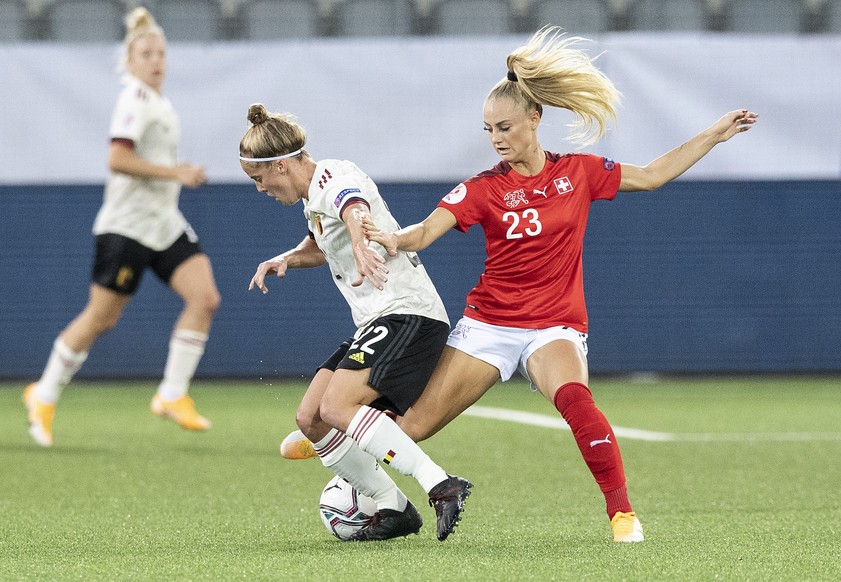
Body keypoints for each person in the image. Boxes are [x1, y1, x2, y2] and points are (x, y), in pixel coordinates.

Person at [284, 26, 758, 543]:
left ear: (535, 119)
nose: (497, 139)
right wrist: (395, 239)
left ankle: (622, 515)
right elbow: (423, 232)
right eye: (489, 130)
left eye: (505, 127)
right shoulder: (484, 188)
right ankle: (338, 442)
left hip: (553, 324)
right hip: (488, 325)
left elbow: (652, 175)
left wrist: (714, 134)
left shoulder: (578, 172)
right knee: (412, 428)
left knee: (576, 399)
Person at [240, 103, 472, 542]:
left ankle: (440, 484)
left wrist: (362, 237)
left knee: (336, 408)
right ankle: (392, 508)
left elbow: (352, 206)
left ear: (282, 165)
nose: (259, 189)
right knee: (311, 418)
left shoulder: (332, 177)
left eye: (259, 179)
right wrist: (285, 258)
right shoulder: (314, 199)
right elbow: (324, 242)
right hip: (378, 319)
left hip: (408, 312)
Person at [23, 7, 220, 446]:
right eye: (146, 53)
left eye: (161, 53)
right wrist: (177, 174)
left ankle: (171, 394)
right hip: (127, 226)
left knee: (204, 298)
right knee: (101, 318)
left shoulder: (159, 102)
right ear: (130, 62)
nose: (156, 60)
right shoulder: (133, 97)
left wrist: (176, 175)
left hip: (163, 222)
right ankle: (44, 392)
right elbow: (117, 159)